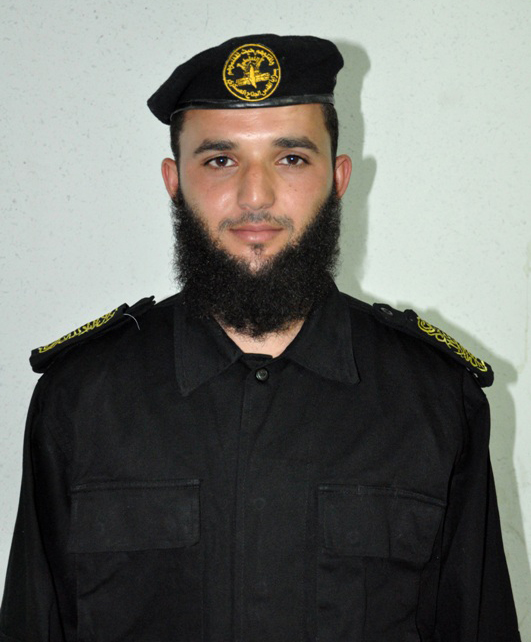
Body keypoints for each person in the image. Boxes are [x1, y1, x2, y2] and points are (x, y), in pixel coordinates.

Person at [0, 34, 520, 641]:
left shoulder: (437, 399)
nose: (255, 196)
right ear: (174, 180)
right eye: (220, 160)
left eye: (291, 158)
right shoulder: (80, 399)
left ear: (338, 178)